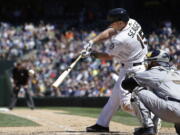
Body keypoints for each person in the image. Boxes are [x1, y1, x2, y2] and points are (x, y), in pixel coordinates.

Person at [82, 8, 161, 132]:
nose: (110, 24)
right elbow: (110, 31)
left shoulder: (121, 39)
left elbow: (108, 56)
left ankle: (152, 117)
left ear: (120, 23)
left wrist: (91, 54)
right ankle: (102, 124)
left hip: (133, 70)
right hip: (136, 64)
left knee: (126, 105)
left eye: (113, 21)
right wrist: (92, 41)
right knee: (114, 99)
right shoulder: (132, 22)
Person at [122, 49, 180, 135]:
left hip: (172, 111)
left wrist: (130, 78)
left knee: (136, 92)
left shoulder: (153, 72)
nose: (148, 63)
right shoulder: (178, 72)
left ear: (156, 62)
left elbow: (125, 84)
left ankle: (148, 128)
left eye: (151, 61)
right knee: (165, 94)